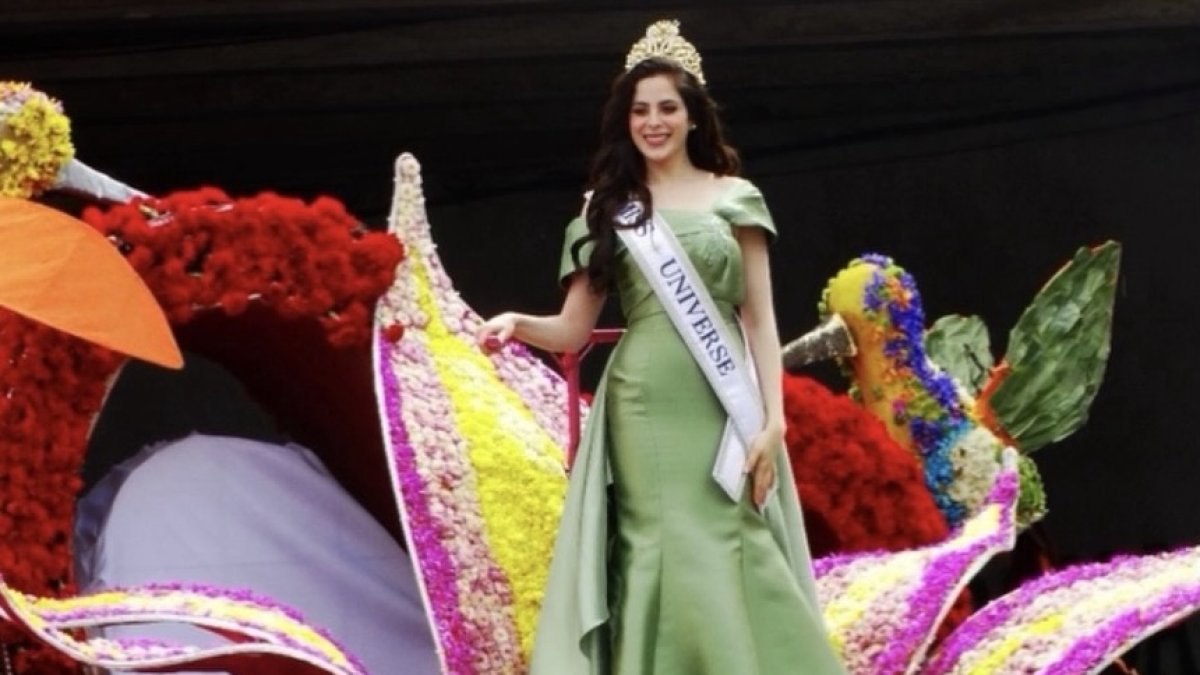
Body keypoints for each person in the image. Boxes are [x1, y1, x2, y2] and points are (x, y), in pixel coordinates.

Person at [477, 20, 846, 675]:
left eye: (667, 108)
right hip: (643, 405)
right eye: (639, 110)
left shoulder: (735, 198)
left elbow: (760, 322)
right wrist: (518, 323)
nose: (653, 122)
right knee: (662, 545)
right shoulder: (609, 210)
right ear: (625, 122)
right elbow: (573, 329)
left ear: (693, 116)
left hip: (724, 401)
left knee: (735, 539)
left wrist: (773, 420)